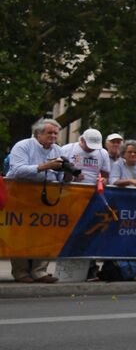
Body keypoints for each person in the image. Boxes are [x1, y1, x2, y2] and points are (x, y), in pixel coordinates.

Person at [5, 118, 66, 283]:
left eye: (56, 133)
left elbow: (59, 177)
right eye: (50, 133)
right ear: (38, 134)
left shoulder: (58, 150)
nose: (53, 136)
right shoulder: (23, 146)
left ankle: (40, 271)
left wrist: (68, 174)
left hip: (45, 198)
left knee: (44, 234)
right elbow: (17, 170)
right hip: (20, 195)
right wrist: (45, 166)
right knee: (20, 234)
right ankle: (21, 272)